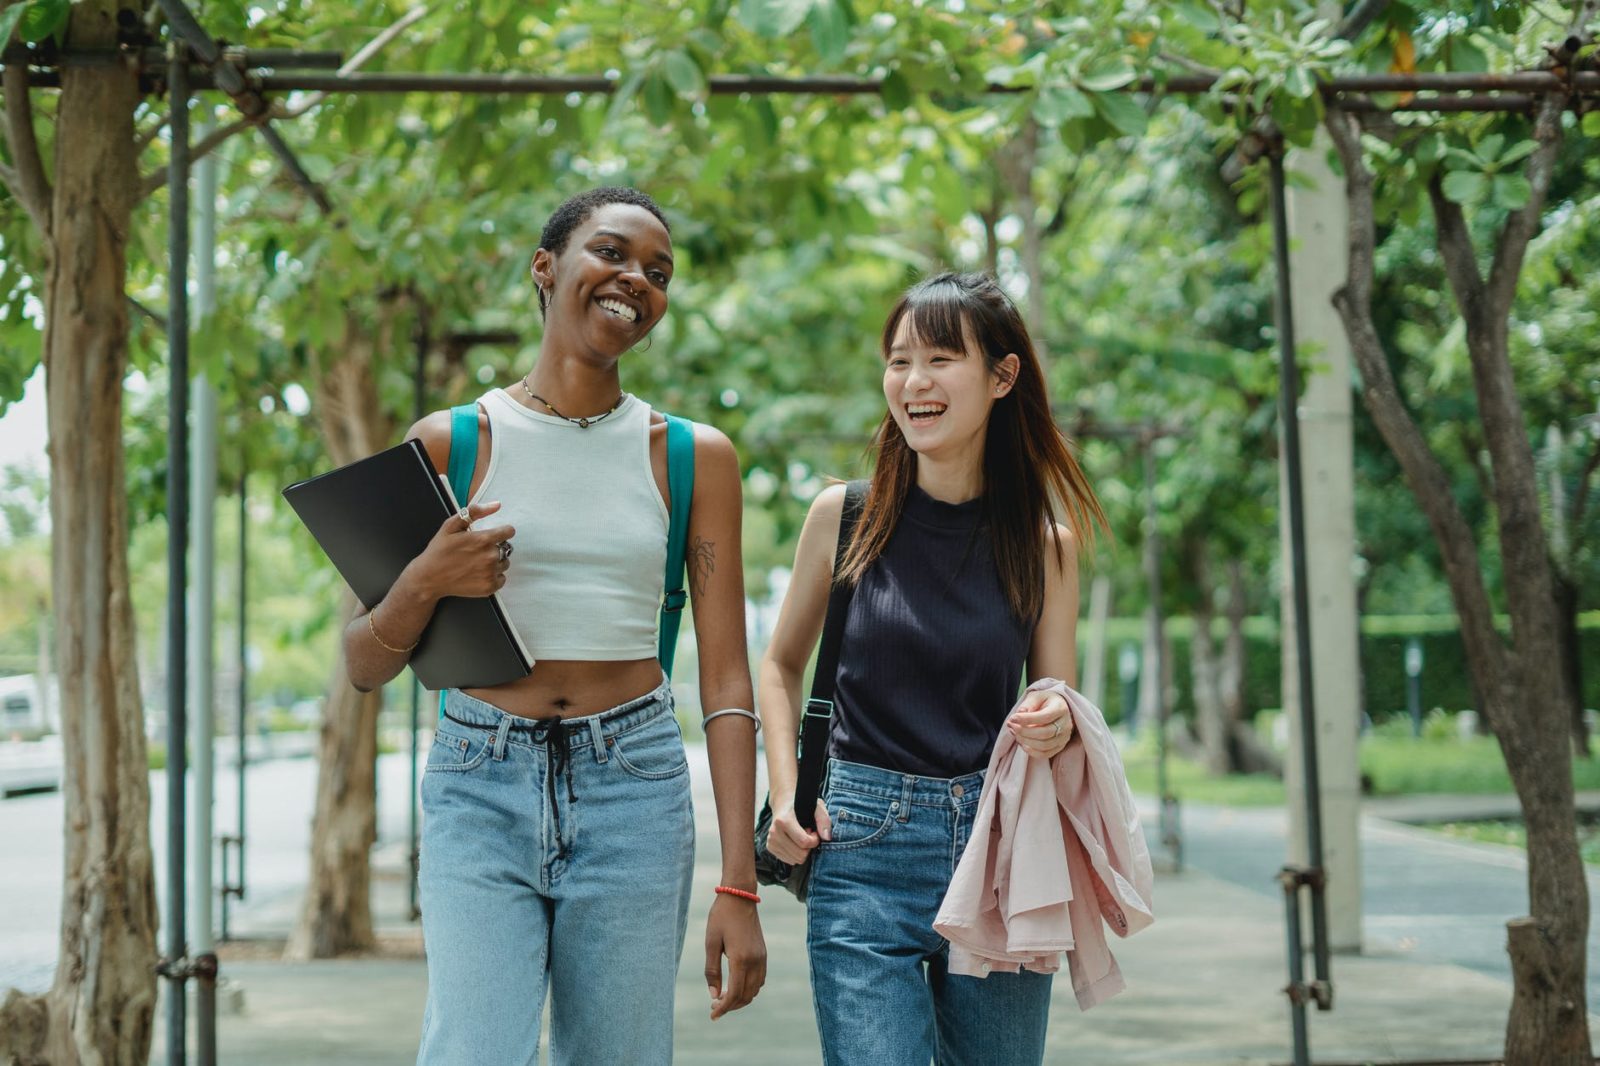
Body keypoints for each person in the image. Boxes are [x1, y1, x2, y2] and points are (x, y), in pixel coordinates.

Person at [342, 187, 766, 1065]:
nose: (635, 281)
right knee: (473, 1050)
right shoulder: (450, 442)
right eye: (611, 253)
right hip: (478, 779)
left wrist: (740, 879)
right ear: (546, 267)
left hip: (635, 784)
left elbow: (727, 684)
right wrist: (427, 578)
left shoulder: (691, 455)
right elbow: (361, 660)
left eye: (658, 272)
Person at [758, 271, 1106, 1065]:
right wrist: (784, 795)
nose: (914, 382)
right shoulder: (843, 516)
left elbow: (1057, 699)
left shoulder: (1044, 545)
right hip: (861, 844)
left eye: (941, 359)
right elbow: (778, 667)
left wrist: (1053, 722)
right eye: (898, 360)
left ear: (1002, 376)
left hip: (998, 844)